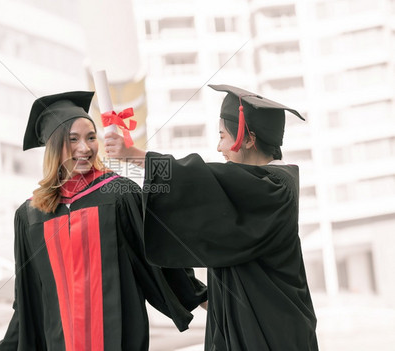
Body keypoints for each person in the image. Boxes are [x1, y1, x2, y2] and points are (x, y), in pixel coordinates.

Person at [104, 84, 319, 350]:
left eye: (222, 136)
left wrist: (134, 156)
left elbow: (196, 178)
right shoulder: (250, 191)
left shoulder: (276, 187)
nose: (219, 147)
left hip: (275, 333)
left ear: (249, 138)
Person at [0, 91, 207, 351]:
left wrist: (211, 300)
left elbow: (160, 258)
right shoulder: (30, 216)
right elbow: (27, 299)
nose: (85, 148)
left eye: (91, 137)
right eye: (73, 140)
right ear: (53, 147)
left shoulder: (119, 195)